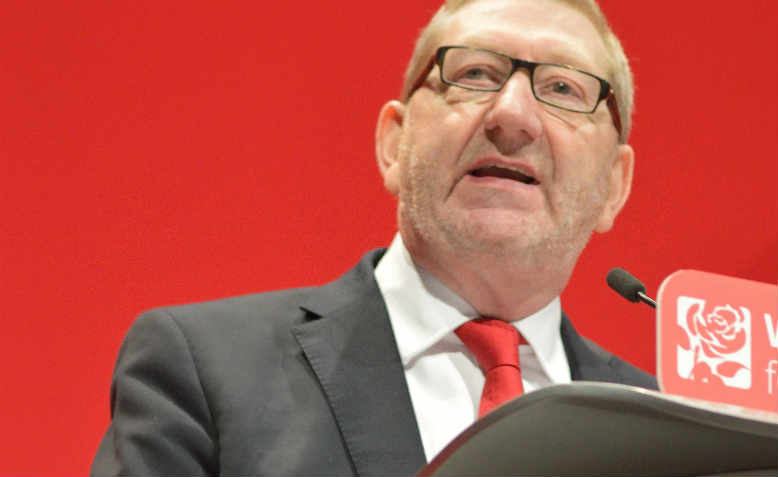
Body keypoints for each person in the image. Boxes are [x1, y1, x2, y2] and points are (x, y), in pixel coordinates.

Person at [91, 0, 657, 474]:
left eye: (562, 87)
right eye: (474, 75)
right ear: (394, 144)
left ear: (614, 186)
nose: (512, 115)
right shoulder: (205, 370)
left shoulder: (671, 429)